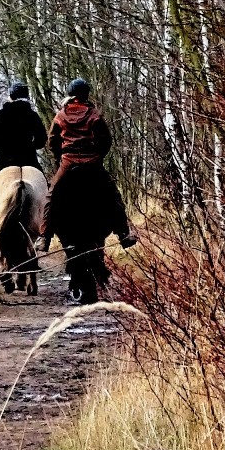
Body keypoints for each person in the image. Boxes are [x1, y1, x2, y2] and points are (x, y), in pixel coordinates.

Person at [40, 78, 137, 302]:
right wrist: (97, 156)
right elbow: (106, 140)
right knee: (113, 196)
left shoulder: (60, 115)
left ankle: (44, 236)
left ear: (70, 93)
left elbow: (52, 141)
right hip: (93, 164)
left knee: (51, 196)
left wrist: (62, 156)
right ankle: (123, 233)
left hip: (68, 164)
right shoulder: (94, 115)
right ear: (85, 94)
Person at [0, 82, 49, 232]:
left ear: (11, 96)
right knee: (46, 188)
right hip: (29, 159)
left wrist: (3, 151)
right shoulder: (32, 115)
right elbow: (42, 139)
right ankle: (48, 225)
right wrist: (29, 147)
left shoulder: (2, 114)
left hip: (5, 159)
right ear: (26, 96)